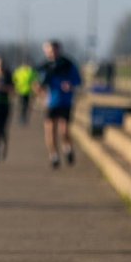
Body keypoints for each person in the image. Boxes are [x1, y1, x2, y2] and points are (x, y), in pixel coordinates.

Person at [36, 40, 82, 169]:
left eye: (54, 50)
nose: (52, 53)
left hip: (65, 102)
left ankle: (68, 148)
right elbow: (37, 85)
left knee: (64, 130)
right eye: (49, 51)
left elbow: (78, 81)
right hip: (50, 103)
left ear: (59, 50)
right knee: (50, 131)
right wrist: (39, 92)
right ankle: (54, 155)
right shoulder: (43, 67)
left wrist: (70, 86)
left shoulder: (68, 64)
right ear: (45, 51)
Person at [12, 58, 35, 125]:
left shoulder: (31, 71)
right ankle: (21, 117)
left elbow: (34, 80)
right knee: (21, 105)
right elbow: (14, 80)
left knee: (26, 106)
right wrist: (15, 88)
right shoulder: (18, 71)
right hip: (20, 91)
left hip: (28, 91)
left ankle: (24, 117)